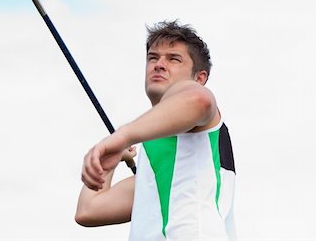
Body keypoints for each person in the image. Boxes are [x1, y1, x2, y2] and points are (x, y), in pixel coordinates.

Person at [75, 20, 236, 241]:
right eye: (153, 57)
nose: (159, 64)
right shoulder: (159, 165)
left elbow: (199, 100)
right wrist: (107, 163)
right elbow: (89, 210)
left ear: (199, 78)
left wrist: (122, 137)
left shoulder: (195, 105)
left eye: (174, 58)